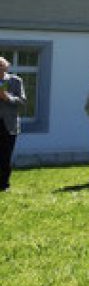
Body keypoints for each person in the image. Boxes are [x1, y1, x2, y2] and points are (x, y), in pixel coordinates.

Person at [0, 56, 26, 192]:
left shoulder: (16, 81)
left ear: (6, 67)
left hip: (8, 124)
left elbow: (22, 101)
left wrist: (7, 97)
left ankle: (4, 184)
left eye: (0, 65)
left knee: (5, 155)